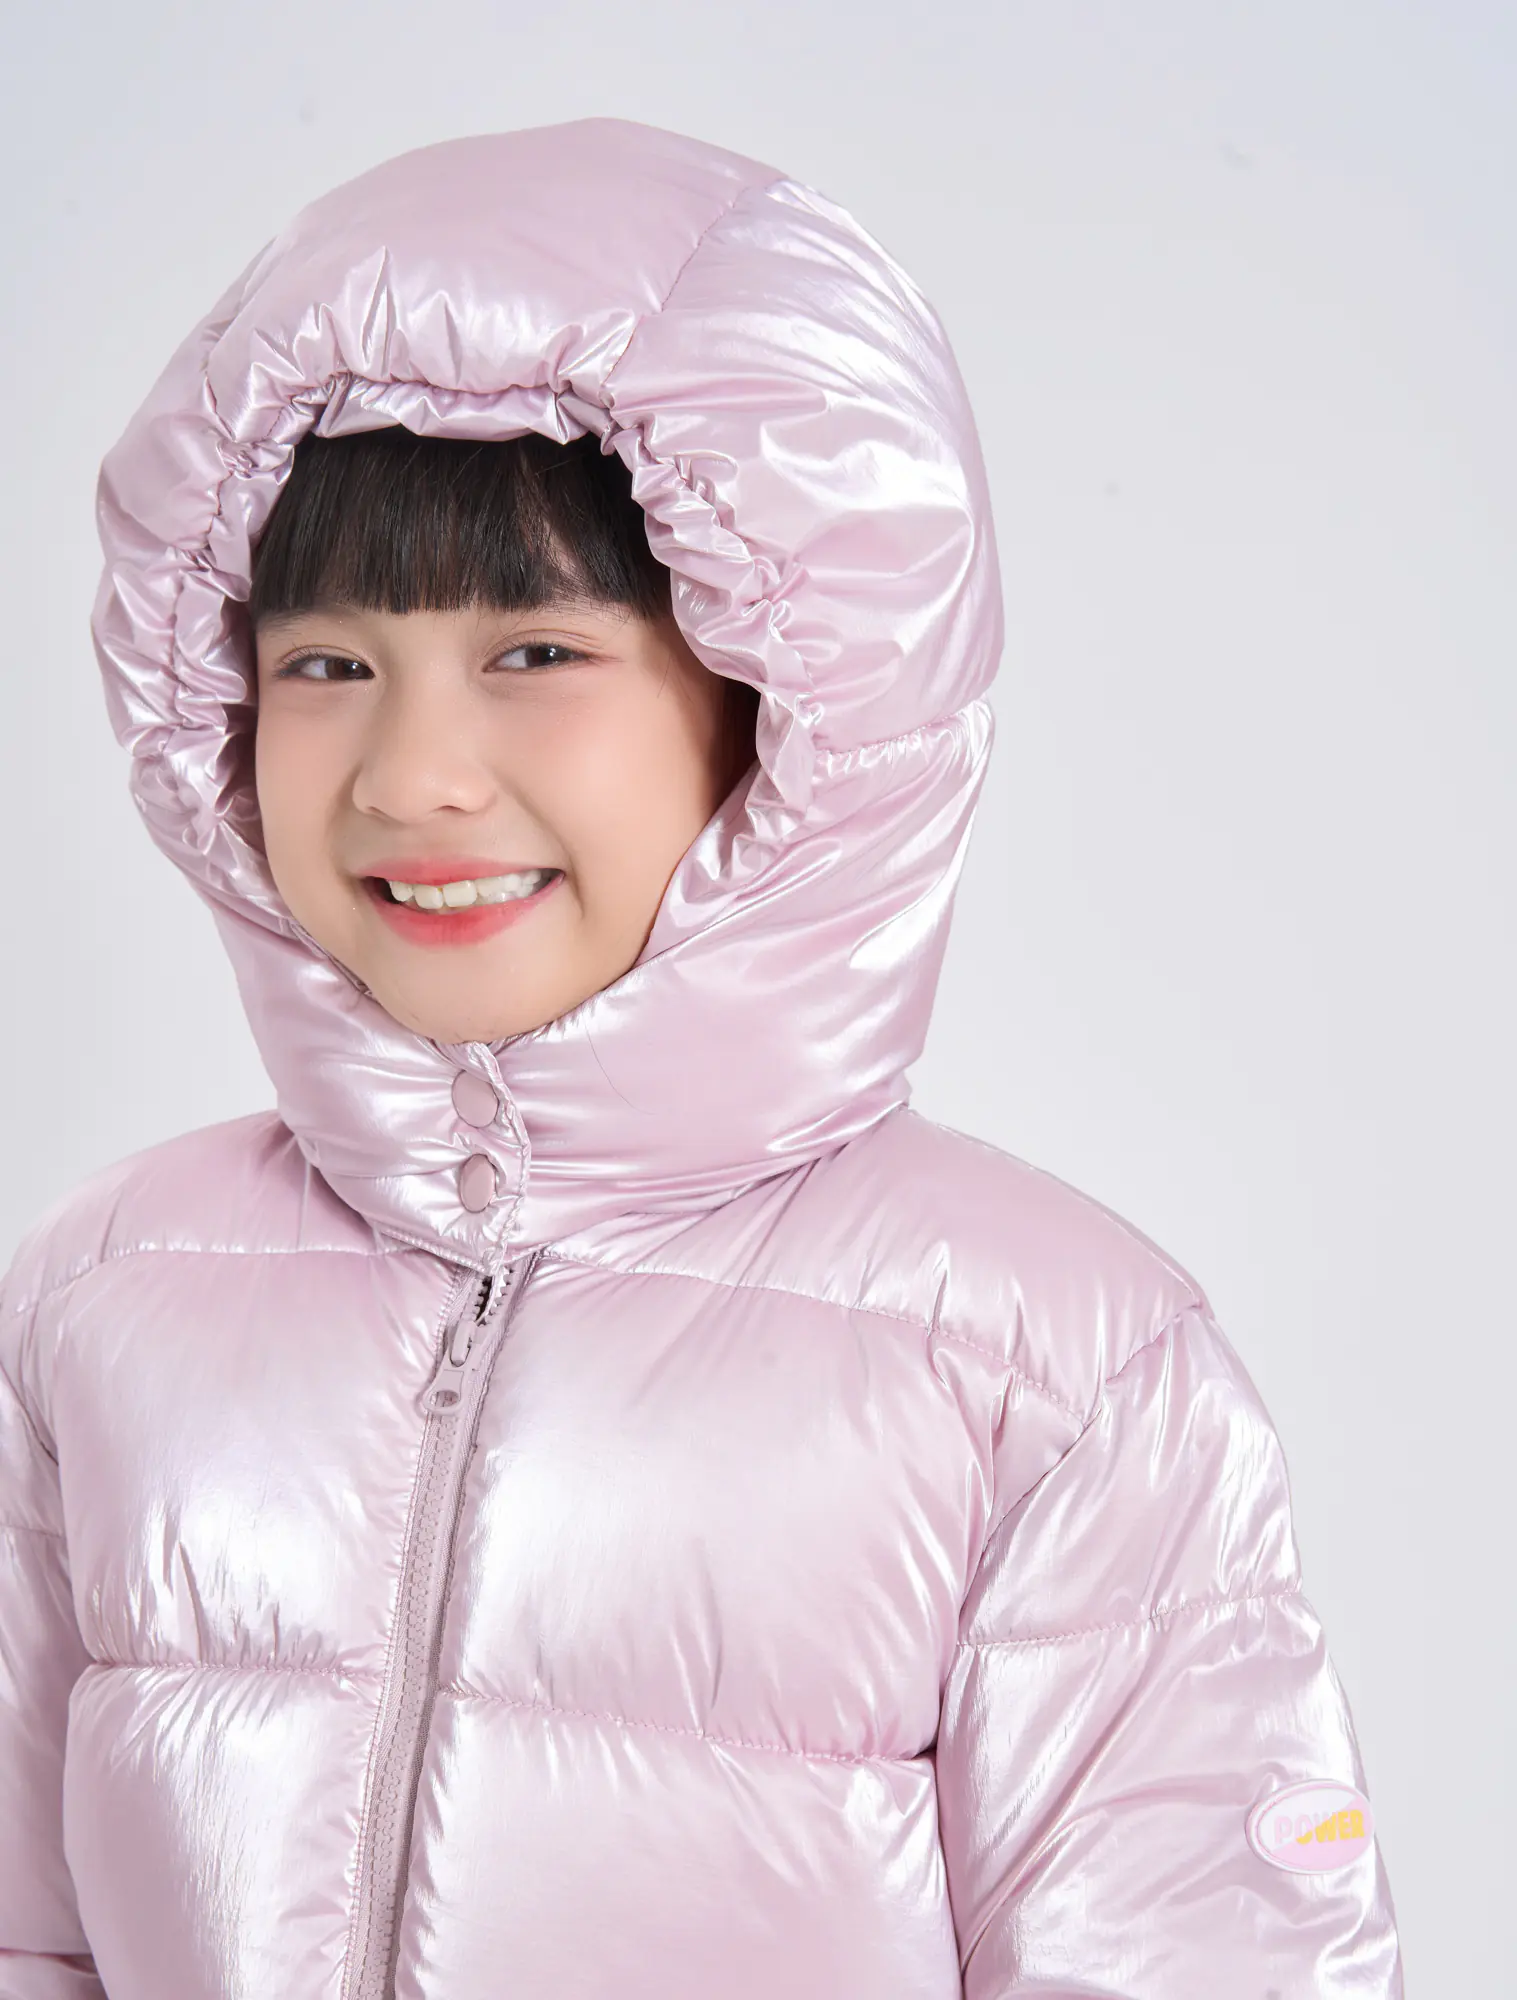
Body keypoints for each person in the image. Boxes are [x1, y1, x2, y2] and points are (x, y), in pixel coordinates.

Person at [0, 117, 1403, 2000]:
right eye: (326, 665)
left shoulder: (1047, 1368)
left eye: (535, 654)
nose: (412, 776)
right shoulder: (104, 1298)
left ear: (782, 702)